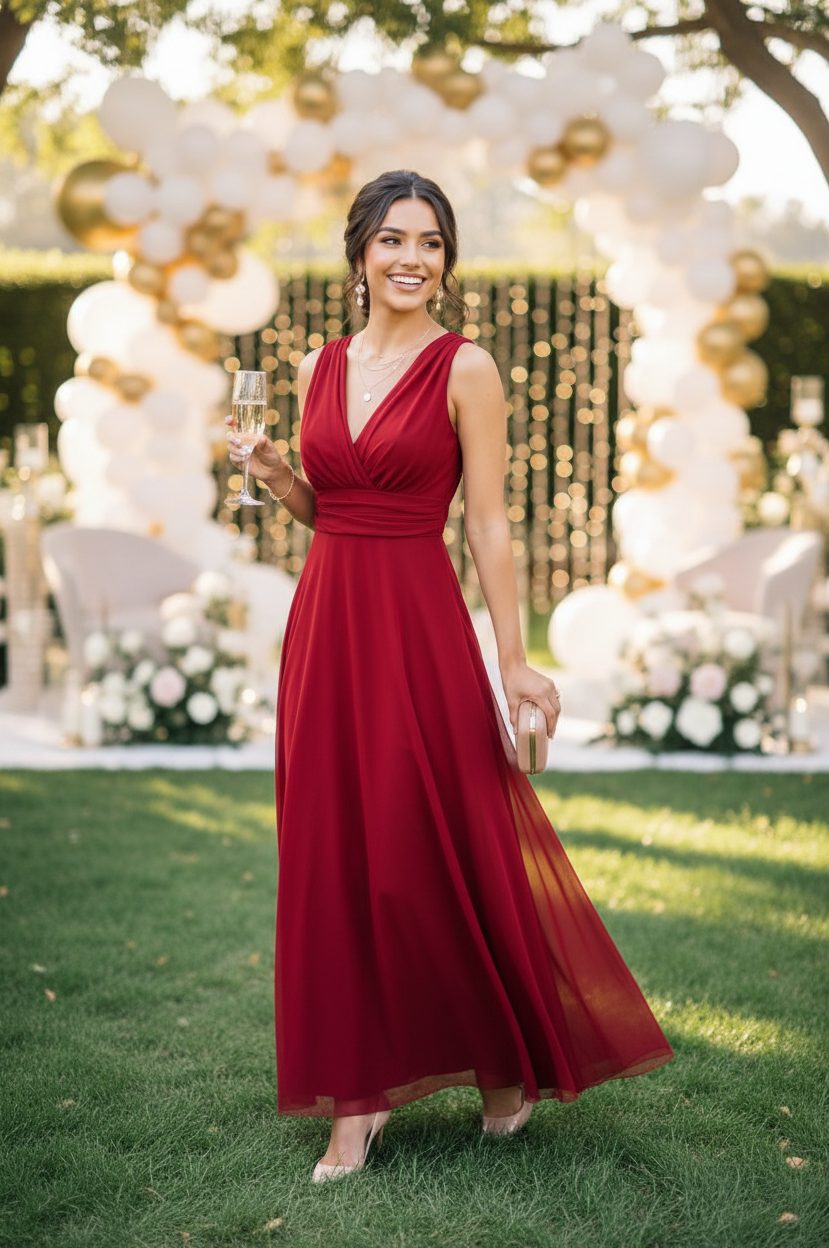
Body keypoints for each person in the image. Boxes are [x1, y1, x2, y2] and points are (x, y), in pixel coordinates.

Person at [227, 169, 673, 1183]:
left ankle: (505, 1066)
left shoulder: (465, 367)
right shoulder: (319, 365)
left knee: (433, 848)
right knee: (336, 853)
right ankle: (359, 1104)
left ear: (447, 259)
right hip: (327, 626)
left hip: (419, 627)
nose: (411, 258)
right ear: (359, 254)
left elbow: (486, 523)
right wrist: (275, 476)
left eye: (429, 241)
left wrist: (512, 657)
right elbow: (328, 510)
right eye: (392, 239)